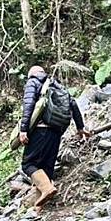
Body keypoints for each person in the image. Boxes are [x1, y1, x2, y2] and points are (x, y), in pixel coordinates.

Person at [19, 66, 90, 208]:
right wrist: (80, 127)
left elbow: (29, 105)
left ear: (32, 74)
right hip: (56, 132)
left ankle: (46, 189)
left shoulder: (33, 82)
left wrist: (23, 129)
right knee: (46, 167)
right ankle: (40, 206)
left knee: (28, 164)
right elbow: (74, 104)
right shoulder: (58, 86)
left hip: (41, 130)